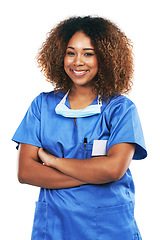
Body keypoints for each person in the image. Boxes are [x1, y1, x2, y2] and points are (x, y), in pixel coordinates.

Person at [12, 16, 147, 240]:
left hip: (109, 229)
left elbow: (113, 170)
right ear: (60, 56)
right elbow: (26, 172)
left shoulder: (121, 110)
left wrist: (54, 162)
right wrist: (93, 173)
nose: (77, 62)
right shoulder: (41, 106)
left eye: (88, 53)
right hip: (54, 227)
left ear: (105, 58)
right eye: (71, 52)